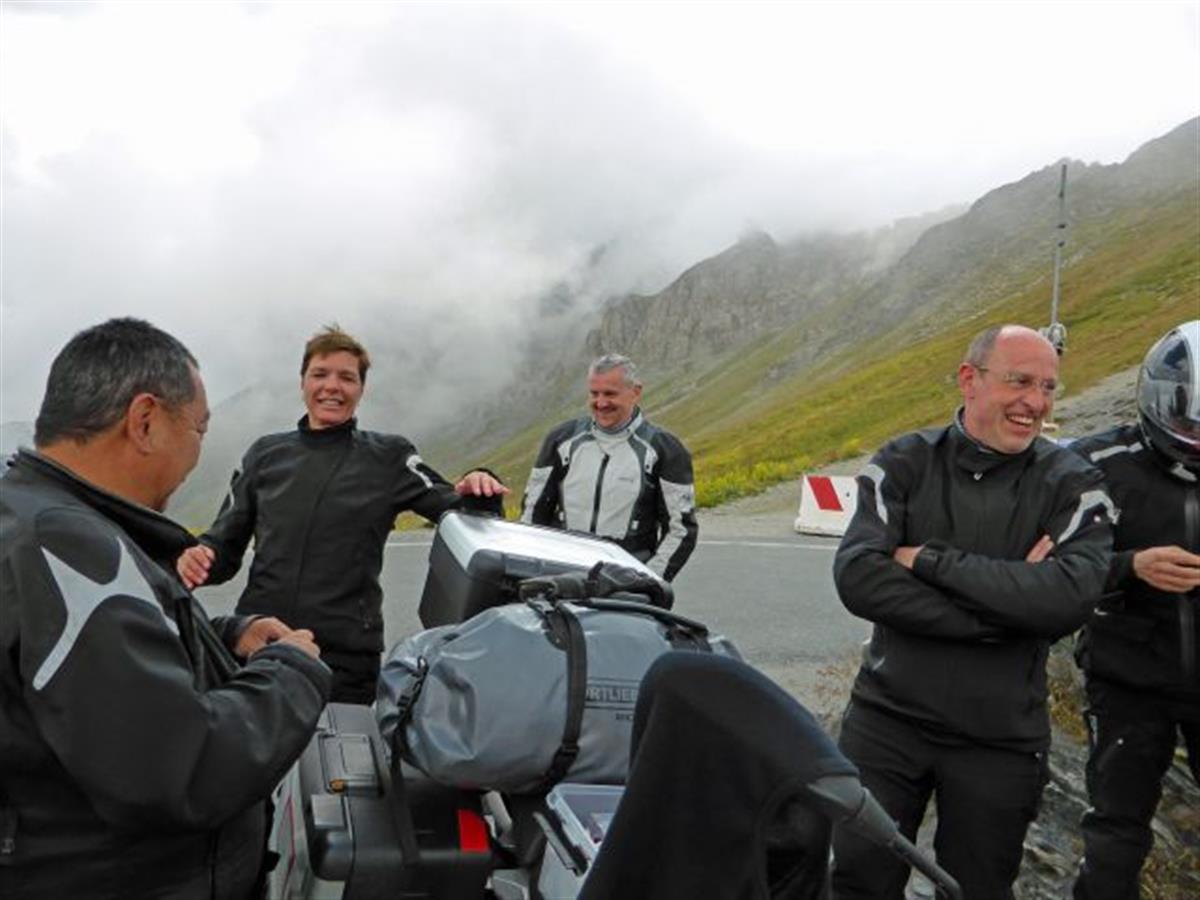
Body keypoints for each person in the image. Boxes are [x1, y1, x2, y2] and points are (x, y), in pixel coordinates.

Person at [0, 318, 331, 900]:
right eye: (199, 429)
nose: (197, 452)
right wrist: (293, 670)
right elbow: (179, 769)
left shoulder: (35, 515)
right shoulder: (65, 546)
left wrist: (227, 636)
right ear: (146, 421)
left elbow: (99, 665)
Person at [830, 324, 1114, 899]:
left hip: (1000, 740)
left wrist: (930, 560)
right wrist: (1005, 612)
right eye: (1019, 381)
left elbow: (1068, 598)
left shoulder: (1074, 484)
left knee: (979, 889)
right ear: (970, 379)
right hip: (887, 723)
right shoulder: (903, 462)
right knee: (858, 880)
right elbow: (859, 577)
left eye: (1048, 387)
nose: (1035, 402)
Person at [176, 324, 506, 704]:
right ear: (303, 383)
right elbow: (223, 545)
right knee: (249, 742)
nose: (332, 386)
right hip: (259, 644)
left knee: (341, 745)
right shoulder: (264, 455)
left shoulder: (389, 457)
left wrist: (481, 485)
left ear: (361, 389)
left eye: (347, 377)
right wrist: (199, 557)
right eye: (320, 374)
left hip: (345, 661)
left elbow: (458, 507)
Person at [1070, 320, 1200, 900]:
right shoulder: (1094, 462)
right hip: (1126, 682)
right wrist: (1129, 567)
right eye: (1187, 423)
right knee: (1115, 832)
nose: (1195, 439)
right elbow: (1051, 566)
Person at [520, 354, 698, 581]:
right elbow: (532, 513)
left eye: (610, 394)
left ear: (635, 392)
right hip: (562, 576)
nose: (601, 403)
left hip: (626, 581)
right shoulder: (561, 439)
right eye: (594, 393)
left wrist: (649, 581)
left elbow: (680, 529)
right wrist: (528, 571)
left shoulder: (665, 449)